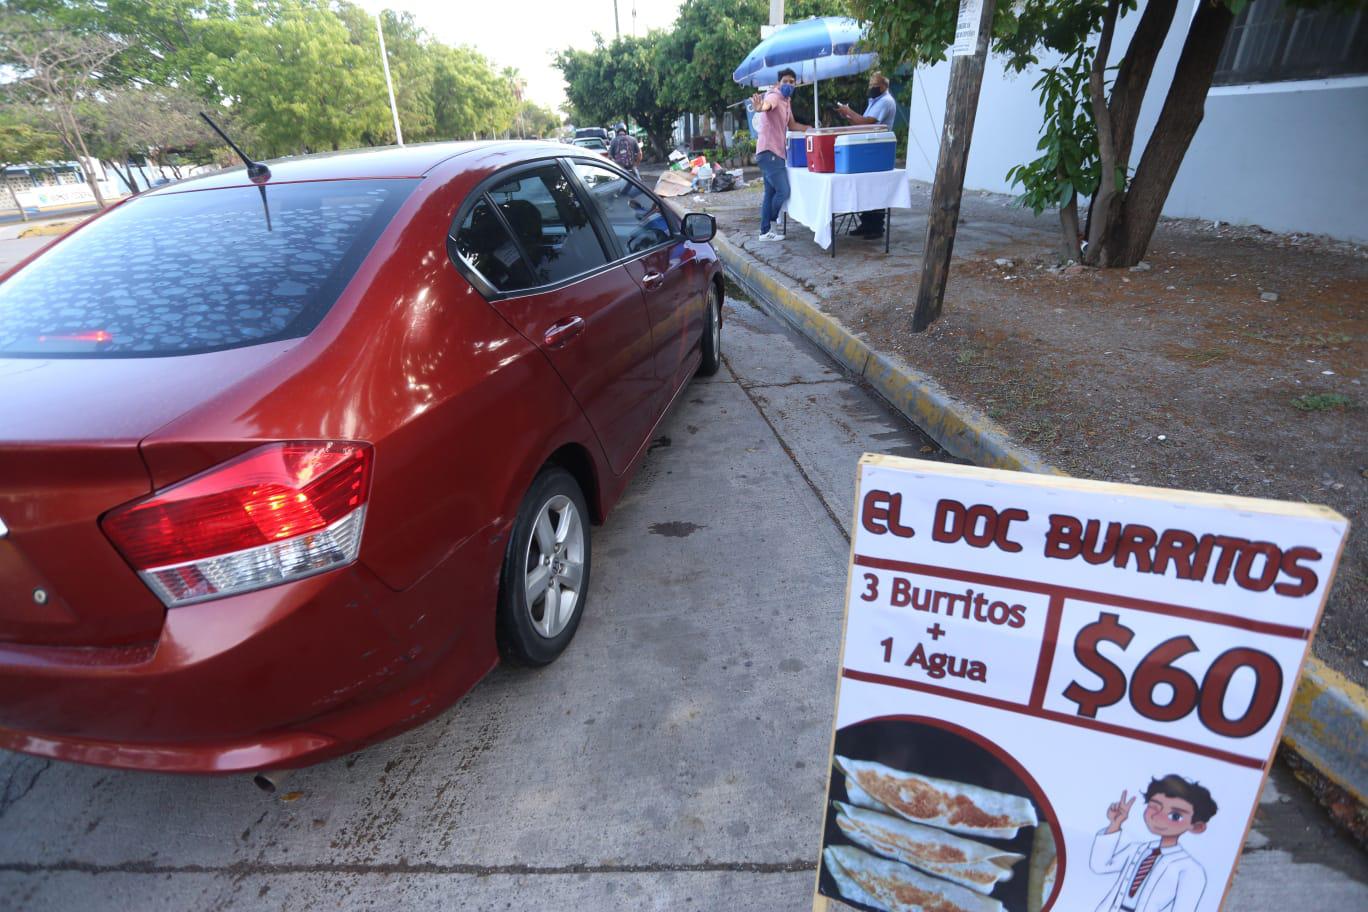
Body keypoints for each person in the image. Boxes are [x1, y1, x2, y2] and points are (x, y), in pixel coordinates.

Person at [1090, 775, 1215, 912]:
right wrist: (1115, 824)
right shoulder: (1138, 849)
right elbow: (1100, 866)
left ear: (1197, 827)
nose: (1158, 817)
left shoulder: (1190, 869)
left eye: (1175, 816)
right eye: (1154, 807)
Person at [750, 68, 810, 241]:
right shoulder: (774, 96)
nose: (789, 84)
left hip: (772, 152)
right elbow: (767, 105)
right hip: (770, 152)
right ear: (778, 83)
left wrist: (810, 128)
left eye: (792, 82)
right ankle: (770, 218)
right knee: (783, 191)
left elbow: (792, 125)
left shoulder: (787, 101)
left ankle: (764, 232)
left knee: (770, 193)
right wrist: (760, 107)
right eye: (785, 81)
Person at [835, 72, 897, 240]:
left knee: (874, 187)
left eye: (874, 84)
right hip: (868, 147)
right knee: (866, 187)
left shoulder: (885, 101)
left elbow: (866, 123)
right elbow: (859, 124)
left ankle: (876, 226)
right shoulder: (874, 101)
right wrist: (847, 115)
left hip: (878, 149)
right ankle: (866, 223)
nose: (871, 88)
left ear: (883, 86)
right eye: (870, 84)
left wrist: (850, 111)